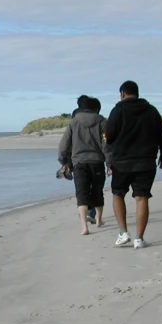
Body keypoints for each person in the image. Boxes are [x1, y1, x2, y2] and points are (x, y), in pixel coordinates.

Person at [103, 80, 162, 249]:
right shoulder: (151, 110)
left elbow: (108, 135)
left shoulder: (118, 110)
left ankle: (123, 233)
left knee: (118, 194)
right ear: (137, 93)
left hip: (122, 161)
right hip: (146, 161)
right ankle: (139, 238)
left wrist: (108, 149)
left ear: (123, 94)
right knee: (142, 197)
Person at [58, 97, 107, 235]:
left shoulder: (73, 122)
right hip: (97, 162)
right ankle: (99, 220)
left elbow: (64, 144)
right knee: (97, 191)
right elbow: (106, 144)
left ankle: (84, 227)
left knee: (81, 193)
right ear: (95, 108)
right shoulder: (102, 121)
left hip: (79, 163)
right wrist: (110, 162)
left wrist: (63, 160)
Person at [71, 95, 98, 224]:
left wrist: (64, 160)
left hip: (77, 157)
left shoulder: (75, 117)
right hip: (95, 158)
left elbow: (69, 140)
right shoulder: (97, 117)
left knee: (82, 188)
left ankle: (85, 212)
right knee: (93, 187)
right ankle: (90, 212)